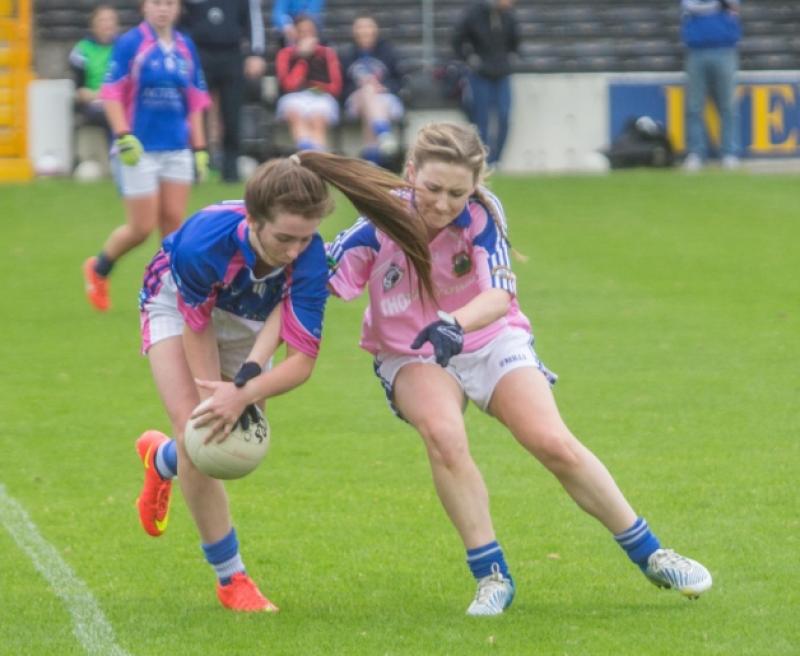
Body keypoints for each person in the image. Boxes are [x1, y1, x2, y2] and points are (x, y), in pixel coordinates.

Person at [327, 122, 713, 616]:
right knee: (444, 436)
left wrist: (454, 324)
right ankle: (492, 577)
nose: (444, 204)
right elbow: (315, 284)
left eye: (457, 192)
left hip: (487, 334)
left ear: (475, 187)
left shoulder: (482, 213)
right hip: (412, 350)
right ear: (410, 174)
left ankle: (653, 554)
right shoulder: (374, 227)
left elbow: (499, 295)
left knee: (551, 441)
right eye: (432, 188)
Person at [134, 151, 433, 612]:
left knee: (228, 443)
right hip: (175, 306)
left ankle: (162, 460)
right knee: (202, 429)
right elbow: (198, 329)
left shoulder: (310, 256)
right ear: (254, 219)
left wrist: (246, 389)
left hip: (249, 315)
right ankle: (231, 578)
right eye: (284, 238)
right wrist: (219, 400)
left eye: (305, 238)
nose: (294, 251)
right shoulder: (203, 244)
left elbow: (302, 362)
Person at [82, 0, 210, 312]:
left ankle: (168, 292)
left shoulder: (184, 46)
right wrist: (124, 135)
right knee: (141, 227)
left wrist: (200, 148)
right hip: (139, 150)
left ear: (177, 8)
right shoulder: (131, 43)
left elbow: (194, 100)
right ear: (144, 7)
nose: (162, 9)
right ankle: (98, 269)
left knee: (173, 225)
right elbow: (111, 92)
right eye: (156, 3)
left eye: (169, 3)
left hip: (177, 148)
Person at [179, 0, 267, 183]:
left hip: (232, 54)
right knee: (195, 113)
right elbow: (180, 20)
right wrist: (181, 51)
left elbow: (253, 20)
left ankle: (231, 169)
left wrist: (256, 53)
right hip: (198, 53)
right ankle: (195, 165)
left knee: (232, 114)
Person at [452, 0, 519, 168]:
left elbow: (515, 42)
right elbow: (457, 39)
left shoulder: (509, 17)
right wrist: (470, 59)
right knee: (481, 119)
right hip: (480, 75)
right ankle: (483, 160)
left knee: (504, 116)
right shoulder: (473, 13)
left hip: (502, 74)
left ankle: (497, 160)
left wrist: (510, 59)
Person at [681, 0, 742, 171]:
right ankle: (696, 153)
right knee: (694, 106)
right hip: (696, 51)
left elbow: (734, 4)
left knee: (727, 106)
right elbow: (689, 5)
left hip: (725, 50)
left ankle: (729, 153)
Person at [339, 13, 404, 166]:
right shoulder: (347, 54)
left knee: (372, 109)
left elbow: (401, 81)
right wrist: (360, 86)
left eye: (368, 27)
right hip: (356, 101)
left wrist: (383, 87)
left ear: (376, 29)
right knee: (368, 91)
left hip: (386, 99)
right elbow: (341, 87)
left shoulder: (388, 51)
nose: (364, 31)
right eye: (360, 27)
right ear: (354, 31)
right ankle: (383, 133)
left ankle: (372, 162)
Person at [275, 15, 341, 152]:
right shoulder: (285, 53)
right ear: (295, 33)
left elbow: (335, 86)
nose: (306, 35)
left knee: (318, 116)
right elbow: (287, 85)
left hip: (321, 97)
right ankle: (305, 151)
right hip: (294, 97)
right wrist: (302, 58)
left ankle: (318, 156)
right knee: (295, 112)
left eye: (309, 31)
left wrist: (317, 86)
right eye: (301, 31)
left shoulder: (327, 53)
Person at [69, 4, 119, 144]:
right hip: (94, 105)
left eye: (111, 20)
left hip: (118, 101)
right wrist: (98, 96)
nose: (107, 24)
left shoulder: (124, 47)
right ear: (93, 25)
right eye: (102, 20)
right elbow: (80, 91)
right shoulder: (82, 49)